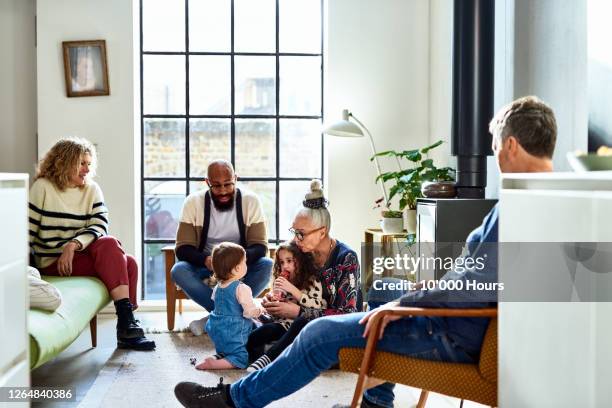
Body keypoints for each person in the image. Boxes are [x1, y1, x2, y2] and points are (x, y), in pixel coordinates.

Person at [173, 95, 557, 408]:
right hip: (462, 320)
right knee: (387, 286)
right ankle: (376, 402)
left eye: (495, 147)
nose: (496, 157)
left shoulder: (518, 206)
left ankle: (235, 401)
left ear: (510, 145)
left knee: (320, 332)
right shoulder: (552, 200)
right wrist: (404, 297)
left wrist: (408, 303)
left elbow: (473, 285)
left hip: (450, 330)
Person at [29, 137, 155, 351]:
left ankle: (127, 324)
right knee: (128, 263)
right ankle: (127, 327)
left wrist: (73, 245)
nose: (87, 170)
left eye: (89, 164)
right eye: (81, 163)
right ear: (64, 162)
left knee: (115, 249)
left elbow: (100, 224)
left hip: (78, 255)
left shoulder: (91, 189)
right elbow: (27, 230)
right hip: (53, 261)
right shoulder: (42, 187)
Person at [171, 160, 273, 335]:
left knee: (267, 265)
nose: (223, 191)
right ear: (207, 182)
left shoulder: (251, 201)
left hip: (239, 266)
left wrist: (236, 261)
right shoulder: (193, 202)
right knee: (178, 270)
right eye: (216, 186)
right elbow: (182, 248)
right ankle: (233, 316)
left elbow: (260, 247)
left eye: (228, 184)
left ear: (236, 179)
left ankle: (213, 319)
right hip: (206, 266)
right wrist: (207, 261)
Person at [246, 241, 324, 372]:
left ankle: (268, 358)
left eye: (289, 261)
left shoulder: (312, 280)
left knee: (281, 334)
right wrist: (270, 303)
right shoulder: (282, 281)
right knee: (255, 336)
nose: (285, 266)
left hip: (298, 325)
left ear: (300, 261)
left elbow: (317, 305)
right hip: (281, 323)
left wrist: (293, 290)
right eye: (281, 262)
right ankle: (251, 356)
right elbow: (277, 311)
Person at [195, 242, 266, 370]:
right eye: (244, 262)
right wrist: (260, 310)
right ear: (237, 268)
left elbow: (220, 305)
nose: (246, 265)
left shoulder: (218, 287)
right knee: (241, 359)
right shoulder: (242, 288)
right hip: (234, 329)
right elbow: (249, 312)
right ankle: (214, 364)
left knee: (227, 350)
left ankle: (218, 356)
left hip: (217, 327)